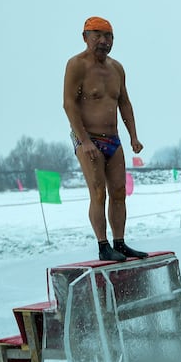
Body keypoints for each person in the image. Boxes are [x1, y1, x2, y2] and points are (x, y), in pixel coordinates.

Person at [63, 16, 146, 261]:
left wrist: (133, 136)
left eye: (108, 36)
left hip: (113, 139)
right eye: (97, 35)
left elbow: (125, 103)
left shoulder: (116, 68)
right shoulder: (76, 65)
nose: (103, 41)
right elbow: (69, 104)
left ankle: (119, 243)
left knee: (119, 191)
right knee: (98, 192)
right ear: (85, 37)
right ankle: (103, 245)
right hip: (88, 139)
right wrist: (85, 141)